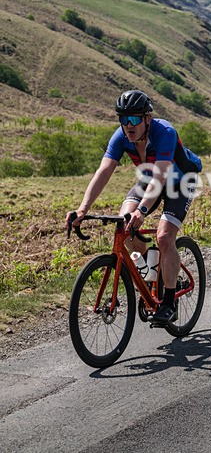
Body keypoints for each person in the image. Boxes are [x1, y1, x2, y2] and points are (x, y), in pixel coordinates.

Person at [65, 90, 202, 326]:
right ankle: (152, 271)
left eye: (135, 119)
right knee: (124, 223)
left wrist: (143, 211)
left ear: (147, 118)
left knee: (164, 237)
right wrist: (82, 209)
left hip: (179, 181)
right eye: (124, 119)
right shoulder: (120, 137)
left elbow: (161, 177)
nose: (129, 125)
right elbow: (103, 172)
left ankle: (169, 302)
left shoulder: (165, 132)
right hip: (150, 180)